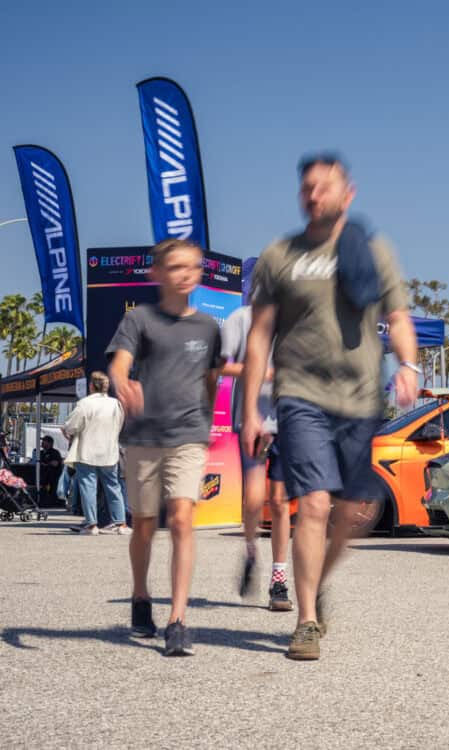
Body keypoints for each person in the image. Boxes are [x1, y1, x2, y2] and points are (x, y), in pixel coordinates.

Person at [242, 153, 418, 661]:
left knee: (355, 513)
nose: (314, 195)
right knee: (313, 504)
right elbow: (259, 337)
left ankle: (315, 581)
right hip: (300, 396)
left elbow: (399, 317)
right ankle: (306, 622)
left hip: (360, 399)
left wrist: (409, 366)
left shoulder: (372, 250)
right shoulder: (279, 255)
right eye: (308, 188)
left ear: (348, 193)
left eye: (325, 187)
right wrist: (252, 410)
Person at [108, 238, 224, 657]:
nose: (185, 274)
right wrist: (122, 381)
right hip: (143, 437)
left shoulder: (210, 327)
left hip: (188, 436)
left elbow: (211, 378)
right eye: (175, 267)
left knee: (181, 519)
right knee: (143, 525)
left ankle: (178, 619)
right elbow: (120, 361)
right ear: (157, 274)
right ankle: (141, 596)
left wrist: (206, 421)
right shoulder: (140, 320)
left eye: (192, 267)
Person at [221, 304, 292, 611]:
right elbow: (222, 365)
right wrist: (264, 372)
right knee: (254, 500)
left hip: (289, 421)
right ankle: (251, 552)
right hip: (251, 421)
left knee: (280, 502)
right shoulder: (241, 318)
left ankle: (279, 580)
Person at [63, 371, 128, 535]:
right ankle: (120, 524)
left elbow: (71, 426)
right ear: (106, 387)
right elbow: (119, 425)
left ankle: (91, 525)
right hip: (109, 452)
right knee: (114, 487)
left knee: (88, 488)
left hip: (87, 451)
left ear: (91, 386)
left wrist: (66, 431)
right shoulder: (116, 404)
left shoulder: (84, 404)